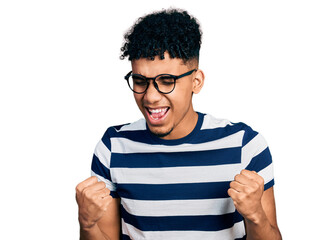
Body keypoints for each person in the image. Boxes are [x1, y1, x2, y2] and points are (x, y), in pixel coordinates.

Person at [75, 8, 282, 240]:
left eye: (167, 81)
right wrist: (87, 225)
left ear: (196, 81)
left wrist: (256, 216)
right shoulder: (113, 147)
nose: (151, 97)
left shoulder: (245, 145)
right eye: (140, 81)